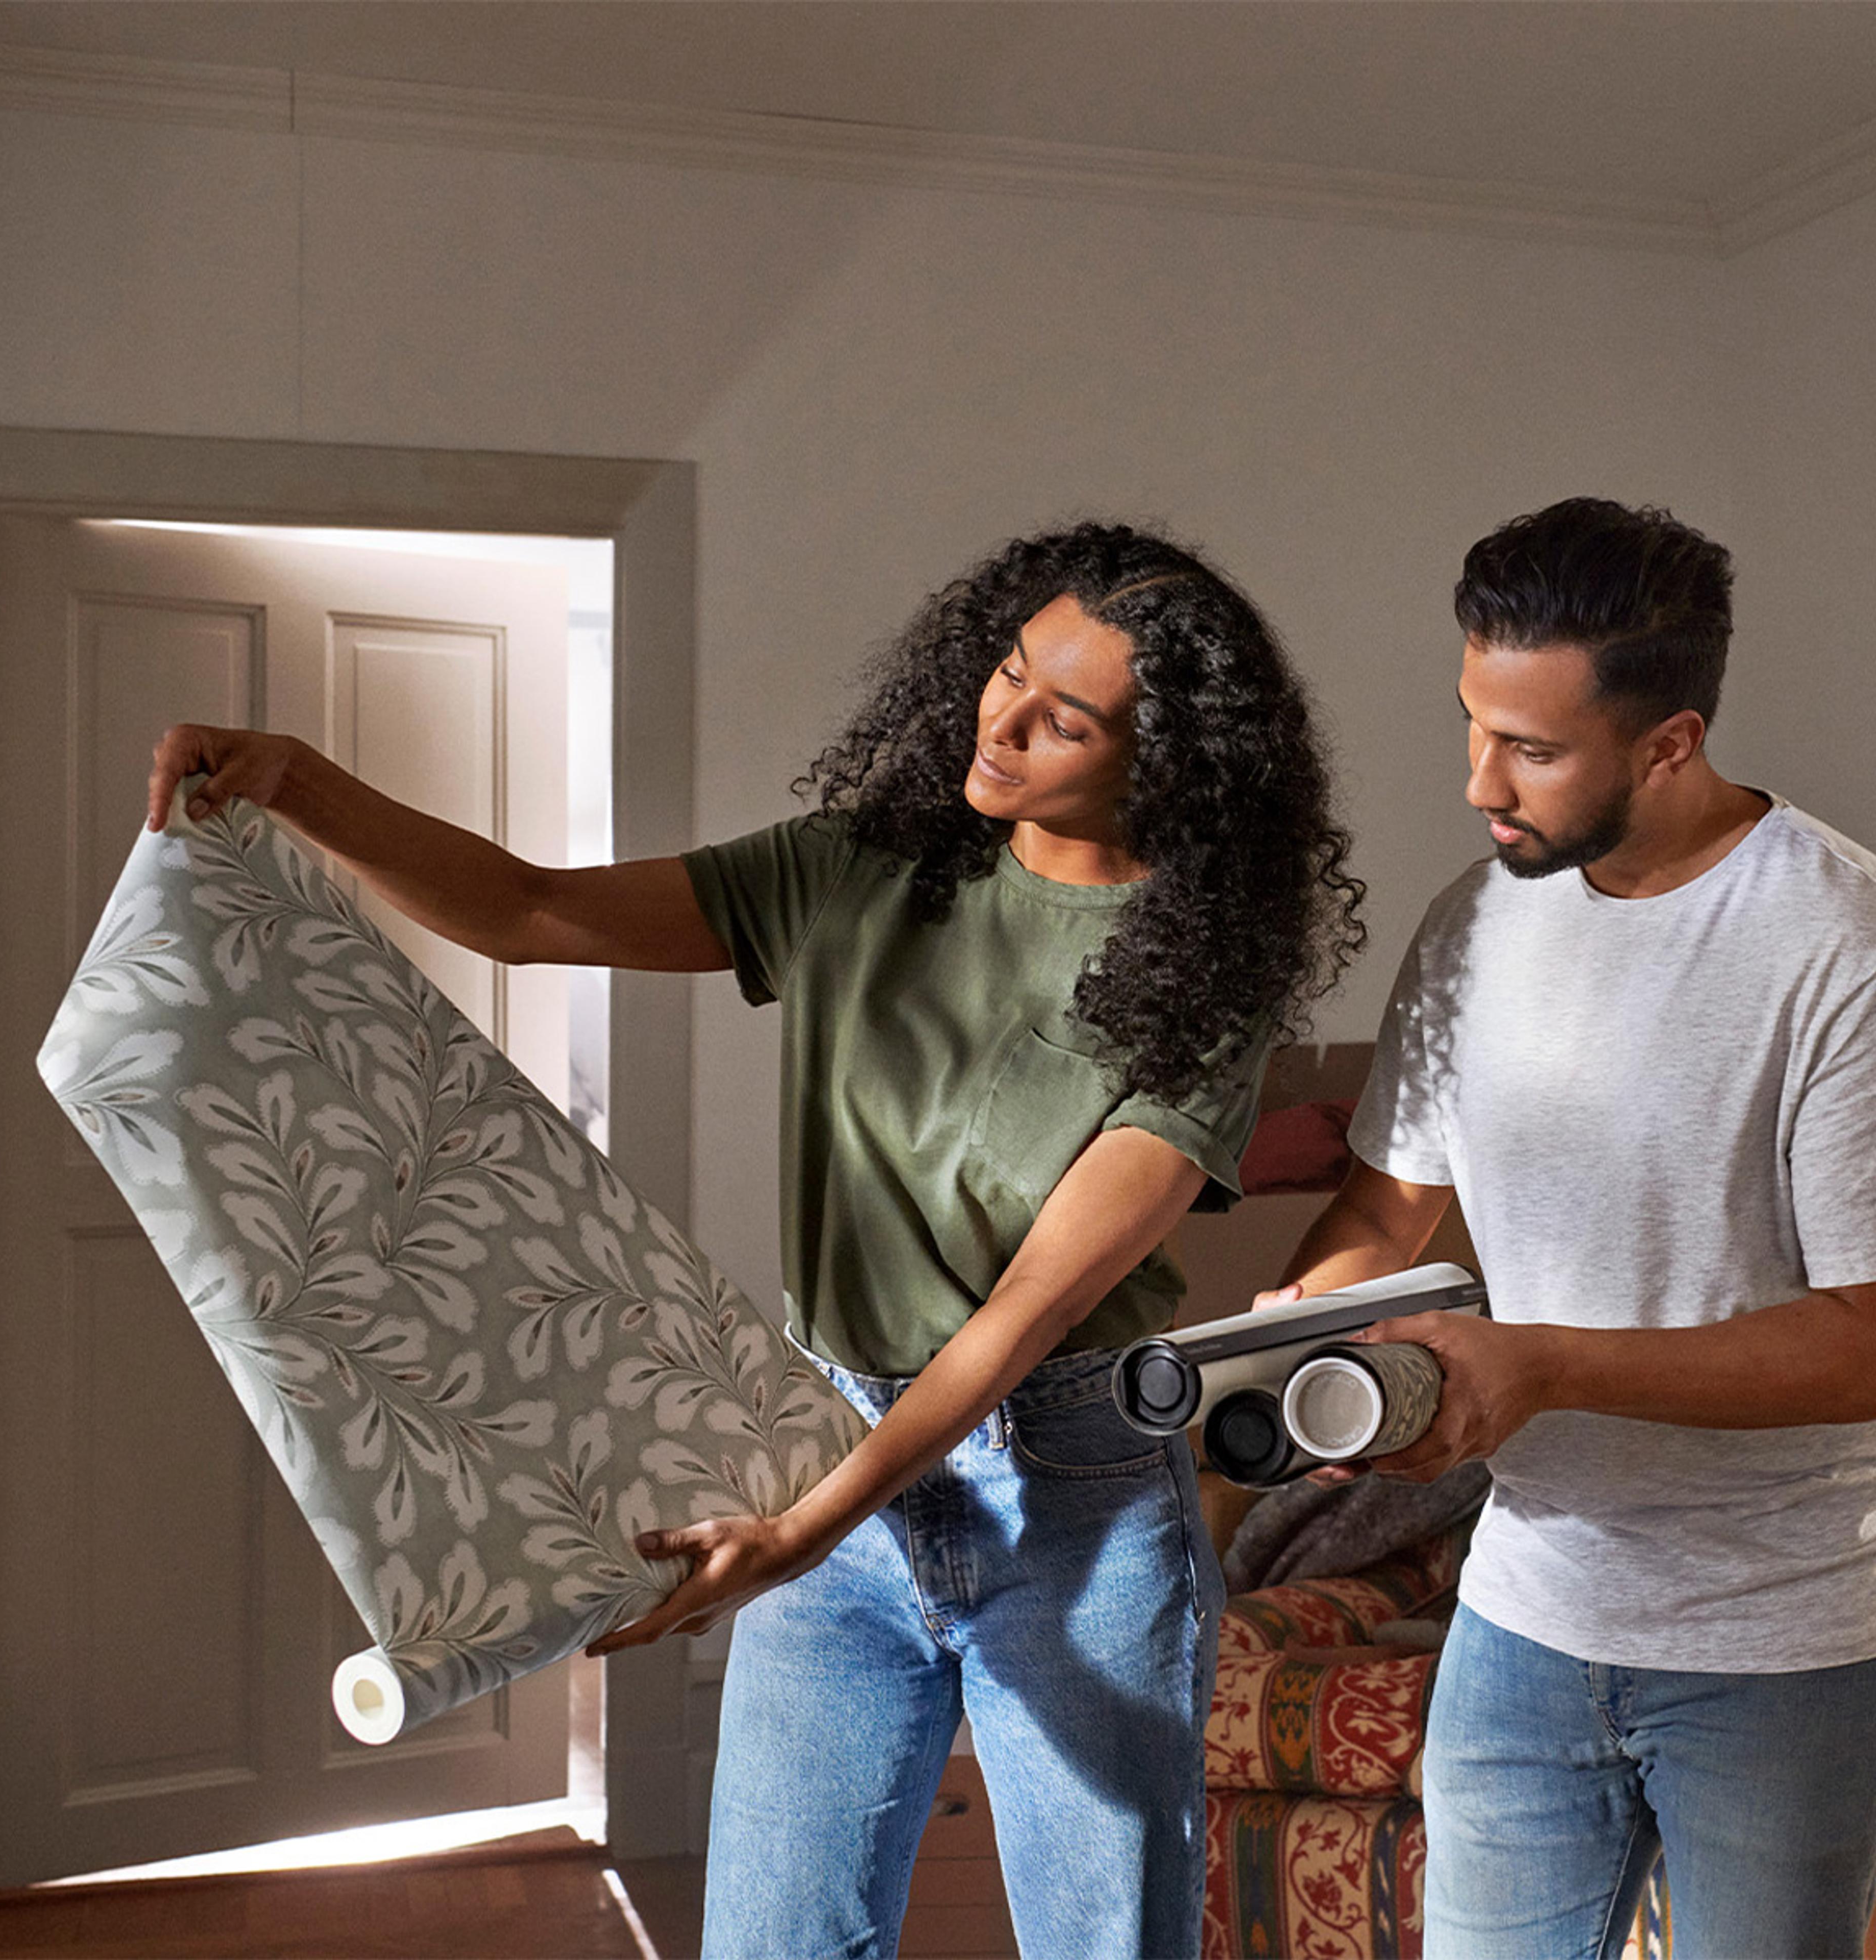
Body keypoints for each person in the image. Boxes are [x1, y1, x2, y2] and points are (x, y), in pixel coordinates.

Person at [149, 521, 1363, 1959]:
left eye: (1067, 717)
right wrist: (299, 783)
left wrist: (810, 1520)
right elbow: (532, 911)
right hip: (824, 1441)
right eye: (1009, 669)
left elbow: (1025, 1311)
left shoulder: (1197, 974)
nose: (1007, 720)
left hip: (1076, 1503)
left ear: (1161, 765)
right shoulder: (858, 869)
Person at [1272, 497, 1876, 1960]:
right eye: (1477, 724)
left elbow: (1865, 1341)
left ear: (1670, 740)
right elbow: (1385, 1208)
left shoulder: (1839, 948)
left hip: (1780, 1648)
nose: (1482, 779)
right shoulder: (1474, 922)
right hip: (1522, 1624)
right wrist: (1258, 1370)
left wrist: (1539, 1366)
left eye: (1532, 749)